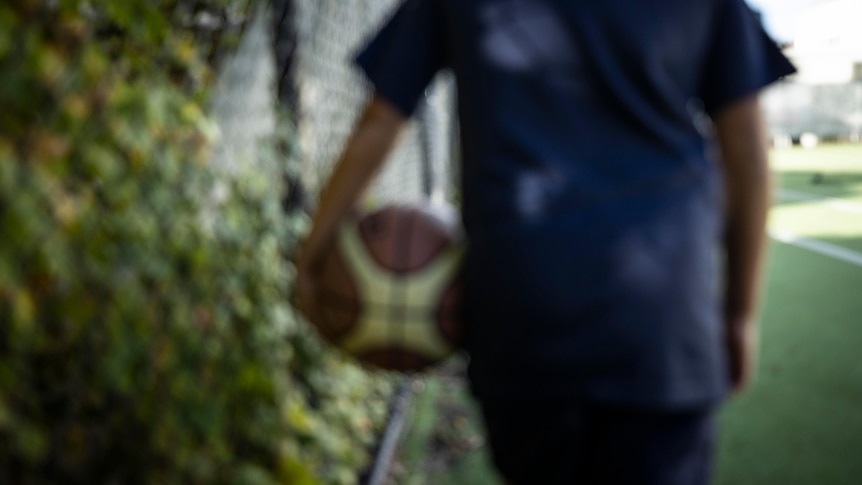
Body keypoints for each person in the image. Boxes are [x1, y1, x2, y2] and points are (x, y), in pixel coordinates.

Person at [295, 0, 795, 483]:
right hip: (662, 325)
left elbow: (380, 123)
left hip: (523, 320)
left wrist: (311, 256)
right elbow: (747, 149)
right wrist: (739, 314)